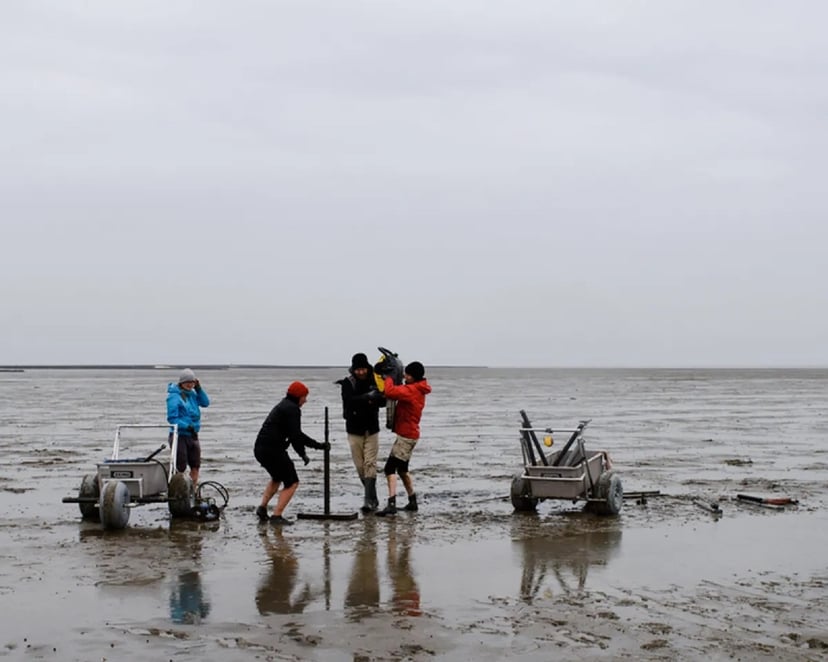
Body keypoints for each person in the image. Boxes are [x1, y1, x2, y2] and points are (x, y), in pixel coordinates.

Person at [253, 381, 329, 525]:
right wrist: (314, 448)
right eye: (304, 397)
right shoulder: (292, 409)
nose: (305, 401)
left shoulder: (283, 405)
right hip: (273, 450)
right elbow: (296, 436)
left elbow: (294, 435)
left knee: (277, 477)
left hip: (260, 449)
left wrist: (308, 450)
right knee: (292, 482)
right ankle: (277, 516)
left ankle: (262, 508)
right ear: (298, 396)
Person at [374, 361, 431, 516]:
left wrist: (388, 377)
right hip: (410, 435)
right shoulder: (418, 388)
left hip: (406, 436)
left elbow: (390, 392)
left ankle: (391, 504)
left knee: (389, 468)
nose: (404, 376)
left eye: (407, 374)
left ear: (413, 377)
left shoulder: (412, 390)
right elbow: (396, 391)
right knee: (402, 469)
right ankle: (412, 501)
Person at [336, 352, 384, 513]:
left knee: (370, 463)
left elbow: (383, 400)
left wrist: (372, 399)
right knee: (359, 466)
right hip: (354, 430)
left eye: (363, 369)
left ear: (367, 367)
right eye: (358, 370)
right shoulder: (348, 383)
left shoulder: (375, 380)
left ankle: (368, 500)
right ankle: (372, 496)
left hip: (372, 429)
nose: (361, 372)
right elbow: (349, 401)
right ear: (353, 369)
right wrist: (367, 398)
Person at [166, 368, 210, 486]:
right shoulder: (174, 396)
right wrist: (186, 426)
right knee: (180, 467)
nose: (190, 385)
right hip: (179, 435)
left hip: (193, 434)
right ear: (181, 383)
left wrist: (199, 389)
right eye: (187, 382)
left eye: (192, 382)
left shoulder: (193, 394)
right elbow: (172, 419)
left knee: (195, 465)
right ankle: (179, 489)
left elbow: (205, 403)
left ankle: (193, 490)